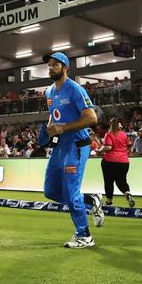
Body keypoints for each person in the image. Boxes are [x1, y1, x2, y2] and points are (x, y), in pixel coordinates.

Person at [42, 52, 103, 248]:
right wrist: (51, 130)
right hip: (60, 146)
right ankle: (91, 202)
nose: (50, 68)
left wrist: (63, 128)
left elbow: (92, 118)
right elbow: (54, 116)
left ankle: (84, 235)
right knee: (51, 191)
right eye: (49, 65)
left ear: (65, 67)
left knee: (70, 191)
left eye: (55, 65)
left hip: (77, 145)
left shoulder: (75, 90)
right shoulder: (49, 92)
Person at [98, 118, 135, 207]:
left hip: (109, 161)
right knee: (121, 181)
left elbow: (108, 147)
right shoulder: (124, 135)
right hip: (124, 161)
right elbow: (129, 146)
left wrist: (100, 150)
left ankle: (109, 200)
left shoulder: (109, 134)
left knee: (108, 181)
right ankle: (127, 193)